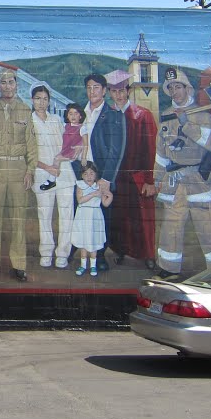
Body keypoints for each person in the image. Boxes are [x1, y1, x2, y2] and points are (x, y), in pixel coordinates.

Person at [152, 68, 211, 278]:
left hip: (199, 180)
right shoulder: (166, 116)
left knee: (207, 227)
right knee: (171, 227)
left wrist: (187, 125)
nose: (174, 91)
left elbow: (210, 145)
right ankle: (168, 268)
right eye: (170, 88)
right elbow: (161, 152)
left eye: (178, 86)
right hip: (174, 182)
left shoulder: (204, 116)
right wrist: (156, 178)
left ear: (187, 88)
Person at [0, 71, 38, 281]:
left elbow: (31, 144)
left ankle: (19, 265)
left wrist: (30, 170)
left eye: (10, 82)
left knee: (18, 218)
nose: (7, 86)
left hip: (18, 168)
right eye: (3, 83)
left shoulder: (25, 110)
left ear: (16, 85)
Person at [105, 70, 158, 271]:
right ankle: (120, 251)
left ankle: (148, 254)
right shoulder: (109, 116)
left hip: (137, 176)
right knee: (120, 218)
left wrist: (149, 180)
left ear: (128, 91)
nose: (118, 95)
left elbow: (150, 150)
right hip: (116, 177)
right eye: (114, 91)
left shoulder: (142, 115)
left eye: (121, 91)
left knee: (143, 219)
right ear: (110, 92)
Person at [78, 73, 126, 274]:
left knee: (101, 219)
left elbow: (117, 150)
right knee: (83, 217)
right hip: (82, 173)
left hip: (101, 175)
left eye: (96, 87)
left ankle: (100, 256)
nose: (92, 91)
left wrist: (106, 179)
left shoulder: (114, 115)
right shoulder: (80, 114)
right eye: (89, 87)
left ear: (104, 90)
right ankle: (82, 257)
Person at [29, 86, 76, 269]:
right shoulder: (29, 122)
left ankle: (63, 254)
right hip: (42, 175)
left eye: (45, 99)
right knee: (45, 215)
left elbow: (68, 146)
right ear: (32, 100)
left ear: (49, 101)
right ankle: (46, 253)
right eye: (38, 98)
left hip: (63, 173)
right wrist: (48, 167)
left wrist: (58, 163)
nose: (42, 102)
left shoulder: (57, 120)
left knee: (66, 216)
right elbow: (29, 153)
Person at [72, 162, 113, 277]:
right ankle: (83, 265)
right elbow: (80, 200)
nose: (89, 176)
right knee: (84, 242)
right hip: (83, 216)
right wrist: (93, 194)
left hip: (95, 216)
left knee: (93, 242)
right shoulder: (80, 186)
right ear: (82, 175)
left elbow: (105, 203)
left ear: (96, 175)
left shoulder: (99, 187)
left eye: (91, 173)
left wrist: (110, 196)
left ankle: (93, 266)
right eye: (86, 174)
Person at [39, 103, 87, 191]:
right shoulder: (66, 126)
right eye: (70, 113)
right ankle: (52, 178)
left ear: (80, 116)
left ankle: (51, 180)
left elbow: (85, 143)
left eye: (76, 113)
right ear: (67, 115)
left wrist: (83, 157)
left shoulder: (82, 128)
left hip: (73, 152)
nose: (73, 116)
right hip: (65, 150)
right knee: (56, 157)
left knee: (57, 159)